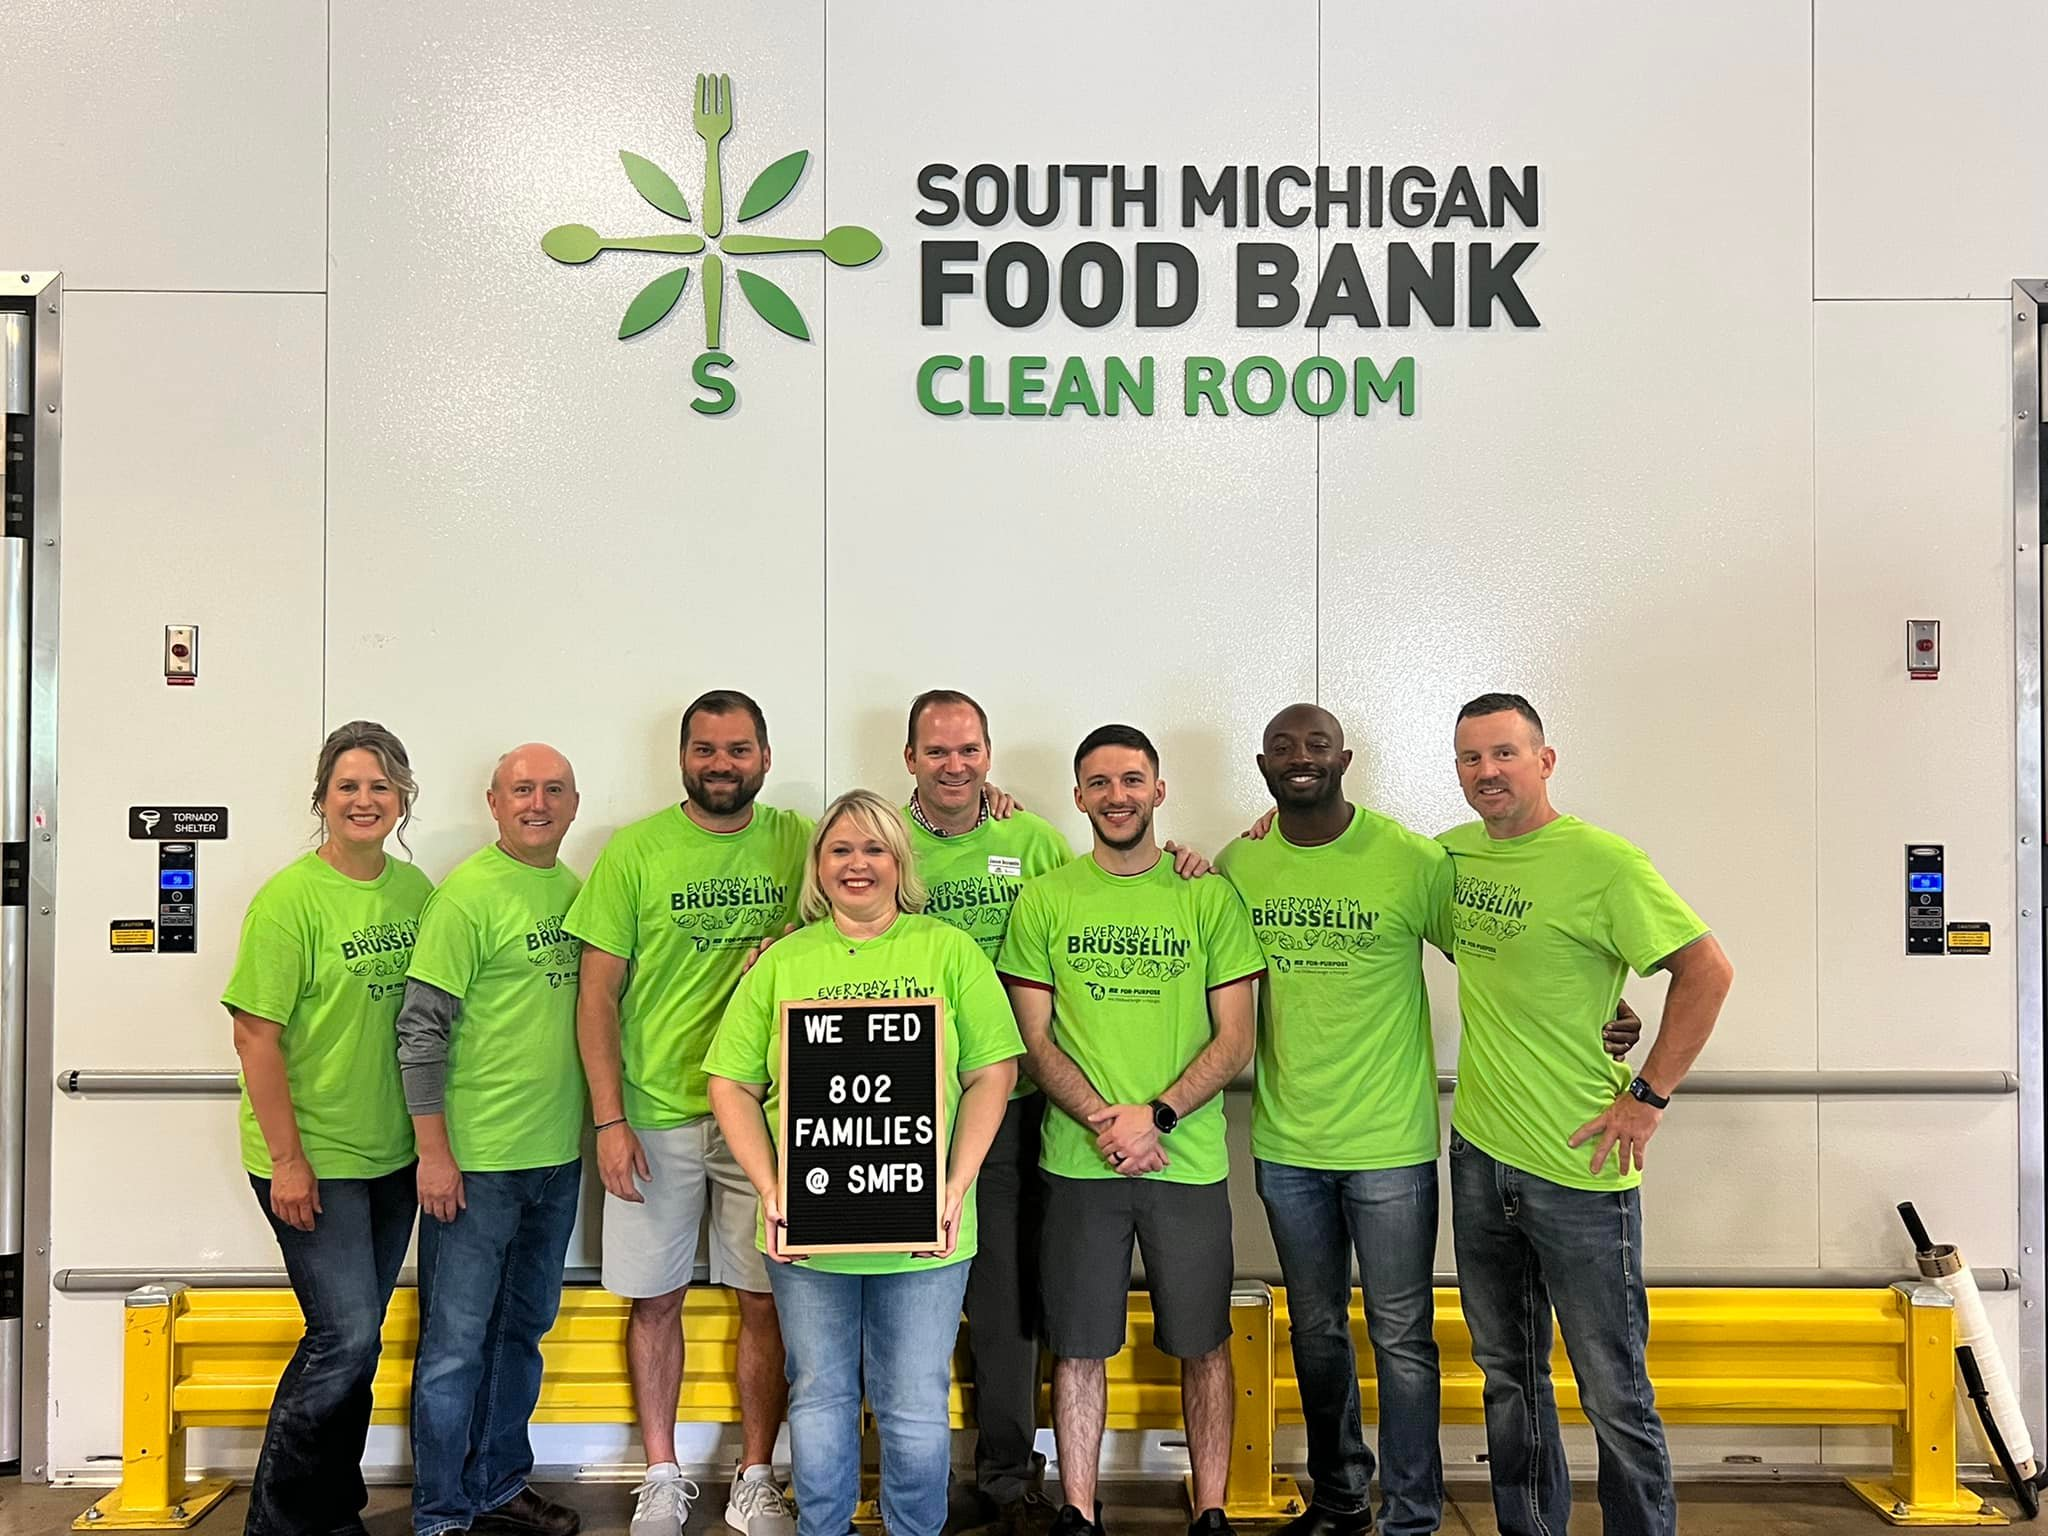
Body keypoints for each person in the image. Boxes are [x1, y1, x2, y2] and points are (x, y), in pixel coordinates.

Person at [1220, 706, 1643, 1536]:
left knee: (1403, 1339)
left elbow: (1499, 951)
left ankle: (1410, 1515)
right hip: (1286, 1145)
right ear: (1263, 766)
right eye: (1282, 748)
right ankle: (1343, 1499)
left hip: (1392, 1147)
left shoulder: (1413, 860)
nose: (1299, 759)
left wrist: (1603, 1005)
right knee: (1314, 1334)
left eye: (1315, 746)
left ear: (1344, 757)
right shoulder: (1240, 862)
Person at [1441, 694, 1733, 1536]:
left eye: (1504, 754)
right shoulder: (1452, 857)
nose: (1487, 772)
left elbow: (1706, 971)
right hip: (1480, 1155)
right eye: (1470, 759)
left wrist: (1646, 1097)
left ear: (1545, 759)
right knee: (1507, 1375)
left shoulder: (1605, 863)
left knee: (1613, 1385)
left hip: (1581, 1168)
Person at [705, 789, 1023, 1536]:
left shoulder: (948, 950)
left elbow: (994, 1075)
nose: (858, 864)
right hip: (808, 1226)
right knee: (817, 1394)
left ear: (899, 862)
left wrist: (954, 1186)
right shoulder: (784, 961)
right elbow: (730, 1085)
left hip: (926, 1228)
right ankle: (824, 1529)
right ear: (818, 865)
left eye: (875, 849)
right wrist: (772, 1187)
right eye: (841, 849)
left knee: (913, 1399)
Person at [997, 725, 1264, 1536]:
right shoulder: (1047, 897)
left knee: (1204, 1345)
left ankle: (1210, 1509)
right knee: (1077, 1348)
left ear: (1159, 790)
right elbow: (1033, 1040)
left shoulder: (1207, 895)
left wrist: (1157, 1117)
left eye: (1132, 780)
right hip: (1080, 1164)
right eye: (1100, 782)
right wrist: (1105, 1123)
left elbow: (1237, 1038)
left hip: (1185, 1163)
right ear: (1079, 796)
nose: (1118, 795)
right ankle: (1080, 1511)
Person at [565, 691, 808, 1536]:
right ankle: (662, 1474)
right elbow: (597, 997)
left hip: (766, 1115)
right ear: (682, 759)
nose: (721, 764)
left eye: (738, 749)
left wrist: (1002, 801)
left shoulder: (799, 842)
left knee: (764, 1301)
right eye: (705, 749)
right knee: (655, 1300)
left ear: (766, 759)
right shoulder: (633, 853)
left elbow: (885, 866)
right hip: (655, 1116)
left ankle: (754, 1478)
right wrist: (608, 1118)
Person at [225, 720, 432, 1536]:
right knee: (342, 1338)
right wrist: (288, 1162)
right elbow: (254, 1034)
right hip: (311, 1157)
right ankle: (279, 1523)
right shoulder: (289, 900)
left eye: (380, 786)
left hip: (393, 1156)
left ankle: (331, 1509)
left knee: (360, 1340)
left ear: (403, 798)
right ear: (321, 799)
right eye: (347, 786)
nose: (364, 799)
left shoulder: (417, 896)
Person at [397, 744, 588, 1536]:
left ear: (574, 803)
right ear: (493, 802)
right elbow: (418, 1033)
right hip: (475, 1165)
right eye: (521, 790)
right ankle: (441, 1513)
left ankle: (498, 1483)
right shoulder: (466, 897)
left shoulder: (577, 893)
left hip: (555, 1160)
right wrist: (435, 1154)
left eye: (552, 790)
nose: (536, 803)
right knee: (453, 1347)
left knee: (522, 1334)